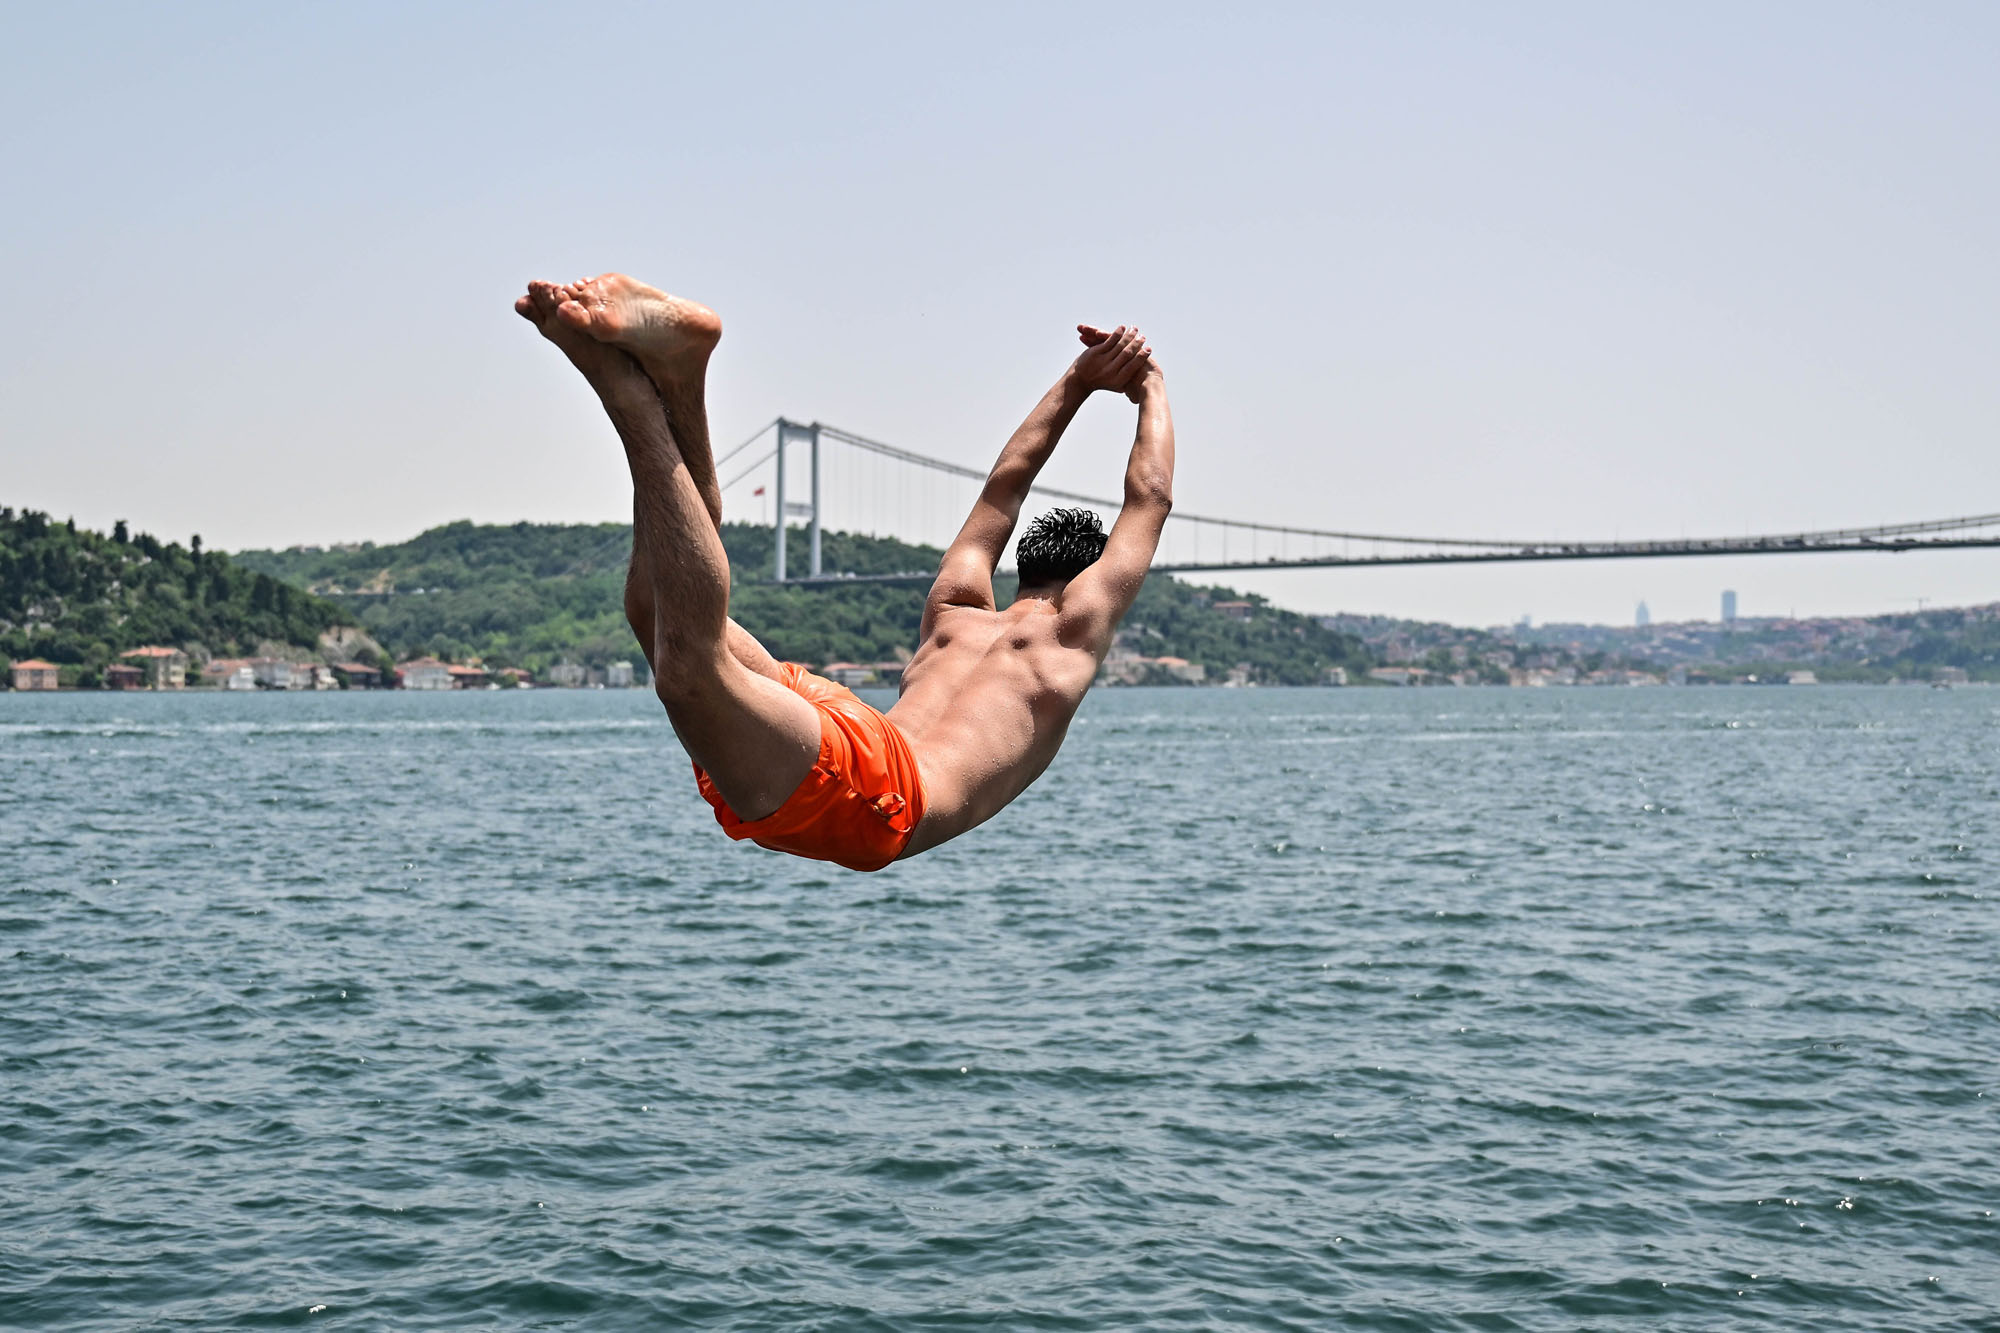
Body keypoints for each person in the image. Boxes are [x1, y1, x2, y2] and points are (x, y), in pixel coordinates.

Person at [515, 274, 1175, 871]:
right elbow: (1150, 497)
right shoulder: (1070, 639)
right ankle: (626, 395)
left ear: (1025, 560)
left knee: (657, 610)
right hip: (884, 793)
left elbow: (1007, 484)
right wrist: (1150, 384)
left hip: (847, 724)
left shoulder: (957, 607)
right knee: (689, 667)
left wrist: (1080, 381)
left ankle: (685, 377)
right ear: (1088, 576)